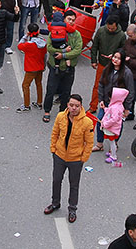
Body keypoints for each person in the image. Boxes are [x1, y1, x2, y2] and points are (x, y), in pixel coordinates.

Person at [44, 94, 94, 224]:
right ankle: (55, 203)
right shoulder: (61, 117)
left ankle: (72, 209)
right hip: (59, 156)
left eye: (76, 106)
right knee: (56, 180)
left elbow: (89, 143)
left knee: (74, 185)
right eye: (71, 105)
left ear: (80, 107)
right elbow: (55, 133)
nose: (73, 108)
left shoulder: (87, 122)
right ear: (67, 105)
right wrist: (53, 149)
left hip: (76, 159)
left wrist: (84, 158)